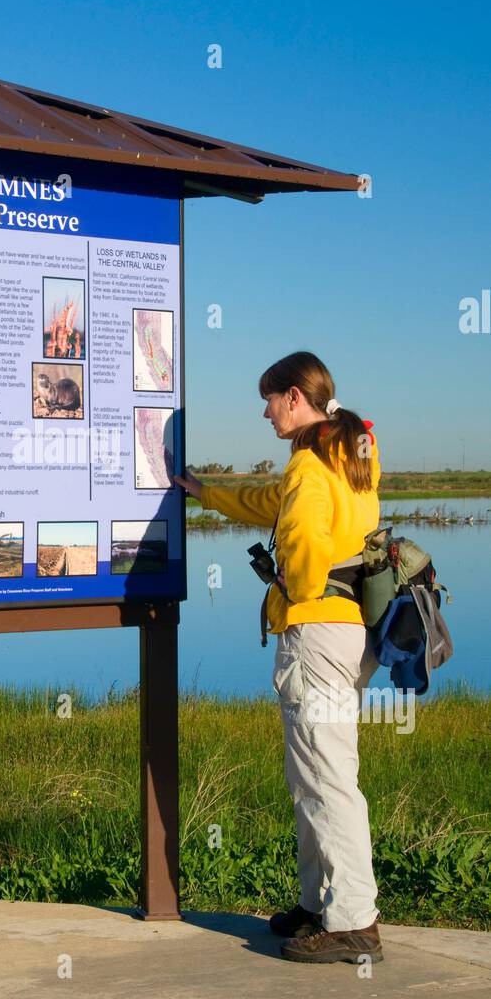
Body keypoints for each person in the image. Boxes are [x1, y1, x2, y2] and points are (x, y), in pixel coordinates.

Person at [174, 351, 384, 965]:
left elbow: (304, 544)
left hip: (316, 636)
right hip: (349, 632)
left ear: (295, 397)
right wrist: (207, 492)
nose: (264, 412)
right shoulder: (347, 454)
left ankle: (353, 922)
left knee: (326, 779)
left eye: (268, 399)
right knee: (314, 773)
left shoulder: (310, 470)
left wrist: (293, 581)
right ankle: (321, 901)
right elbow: (273, 500)